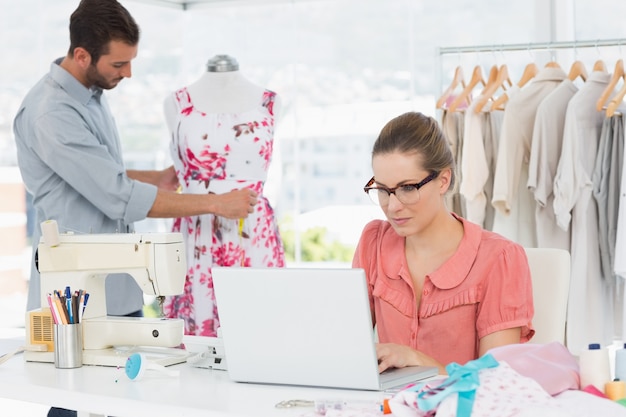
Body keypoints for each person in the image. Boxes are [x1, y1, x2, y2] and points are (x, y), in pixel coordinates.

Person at [13, 2, 256, 416]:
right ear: (82, 55)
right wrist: (217, 204)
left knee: (119, 396)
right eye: (120, 63)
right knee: (74, 399)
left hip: (115, 283)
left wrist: (152, 179)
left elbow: (98, 172)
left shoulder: (89, 92)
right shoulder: (51, 112)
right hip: (76, 297)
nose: (128, 74)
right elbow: (116, 196)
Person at [353, 111, 534, 375]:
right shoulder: (373, 242)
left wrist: (415, 359)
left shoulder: (500, 259)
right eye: (382, 189)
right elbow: (348, 348)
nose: (392, 206)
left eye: (407, 188)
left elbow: (496, 383)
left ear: (443, 180)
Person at [162, 54, 285, 336]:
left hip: (252, 230)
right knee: (196, 341)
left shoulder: (270, 103)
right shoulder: (176, 104)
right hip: (196, 231)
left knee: (260, 331)